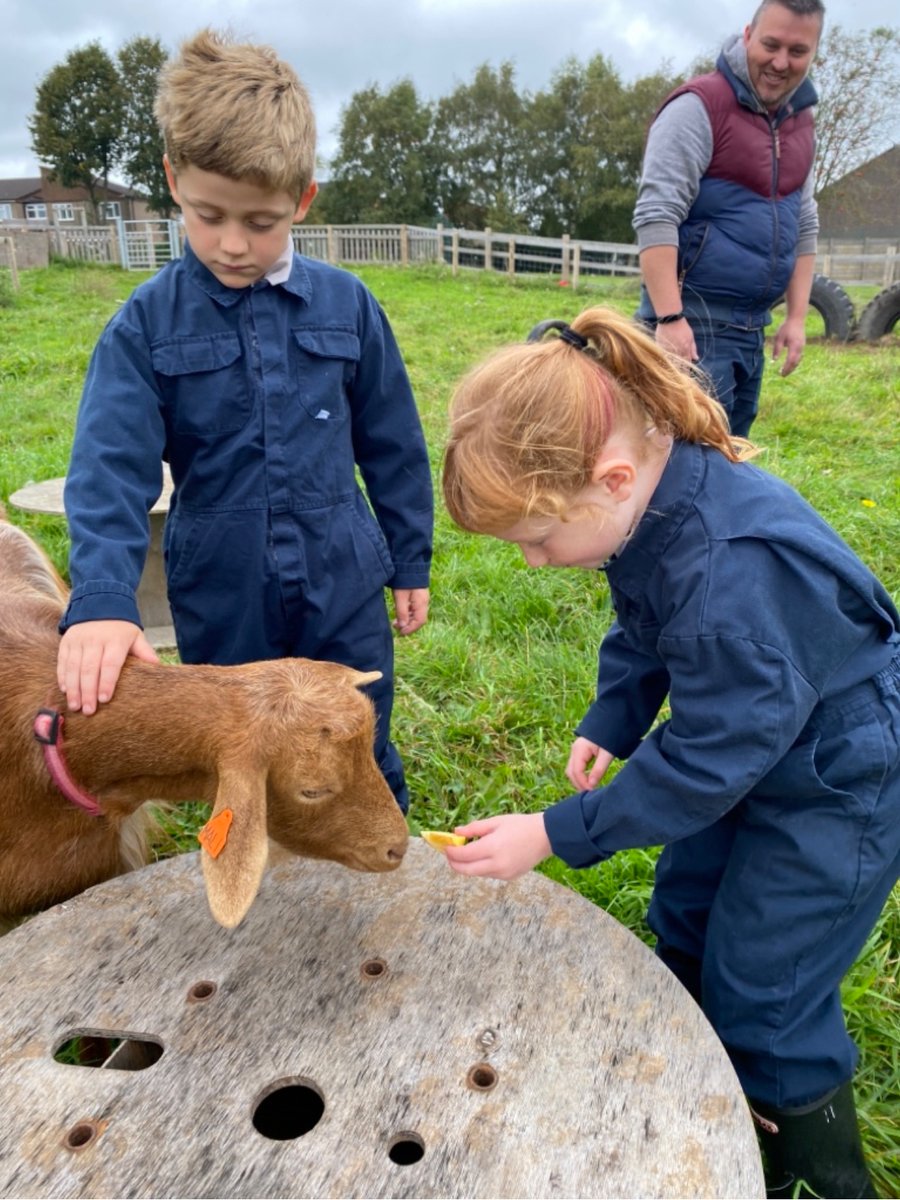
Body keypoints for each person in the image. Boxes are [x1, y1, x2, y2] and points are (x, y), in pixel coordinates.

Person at [440, 307, 898, 1199]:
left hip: (838, 778)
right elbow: (644, 619)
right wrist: (614, 717)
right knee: (688, 913)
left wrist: (555, 833)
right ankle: (695, 1076)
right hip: (763, 734)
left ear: (611, 479)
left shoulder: (730, 573)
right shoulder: (648, 510)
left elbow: (707, 761)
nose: (534, 563)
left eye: (537, 539)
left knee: (768, 983)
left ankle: (814, 1171)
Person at [56, 29, 433, 813]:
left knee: (357, 730)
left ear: (302, 199)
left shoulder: (348, 306)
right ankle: (254, 887)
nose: (233, 244)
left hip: (342, 573)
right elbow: (109, 466)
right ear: (172, 182)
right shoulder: (145, 324)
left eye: (260, 222)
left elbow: (392, 442)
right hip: (222, 582)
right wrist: (100, 597)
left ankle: (377, 863)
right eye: (208, 215)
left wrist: (410, 558)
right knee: (244, 748)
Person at [632, 0, 823, 437]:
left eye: (797, 51)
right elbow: (656, 213)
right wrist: (669, 319)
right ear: (747, 35)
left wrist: (795, 319)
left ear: (813, 53)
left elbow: (805, 224)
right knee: (675, 466)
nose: (780, 62)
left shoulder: (801, 124)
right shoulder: (698, 107)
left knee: (727, 462)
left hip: (751, 329)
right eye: (771, 45)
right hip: (693, 327)